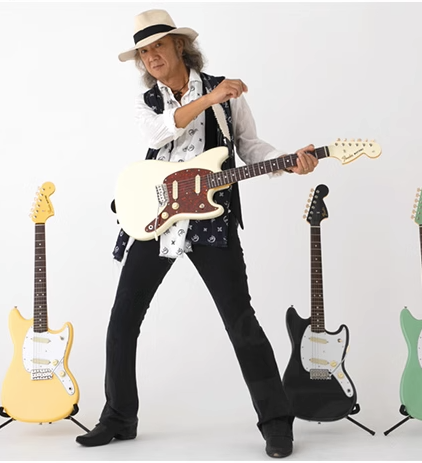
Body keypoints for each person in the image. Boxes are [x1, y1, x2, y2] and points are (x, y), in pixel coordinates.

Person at [75, 9, 318, 458]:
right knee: (123, 318)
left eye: (158, 46)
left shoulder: (226, 93)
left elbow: (249, 147)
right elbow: (161, 131)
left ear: (179, 46)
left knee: (240, 321)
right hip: (154, 217)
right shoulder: (148, 103)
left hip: (211, 219)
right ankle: (119, 417)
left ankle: (276, 423)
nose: (151, 57)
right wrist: (208, 99)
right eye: (143, 52)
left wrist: (288, 161)